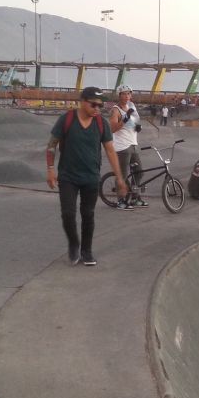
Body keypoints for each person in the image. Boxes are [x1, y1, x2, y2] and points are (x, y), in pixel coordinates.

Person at [46, 87, 127, 266]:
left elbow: (110, 150)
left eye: (101, 105)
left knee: (88, 215)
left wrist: (119, 178)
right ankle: (74, 244)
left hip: (91, 177)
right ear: (82, 101)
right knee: (68, 213)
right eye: (94, 104)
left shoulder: (101, 123)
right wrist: (51, 169)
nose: (98, 108)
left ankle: (87, 251)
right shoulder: (66, 119)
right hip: (68, 176)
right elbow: (52, 144)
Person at [109, 85, 147, 209]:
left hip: (133, 144)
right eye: (124, 94)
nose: (127, 96)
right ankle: (120, 201)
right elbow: (113, 129)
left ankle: (135, 198)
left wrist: (137, 126)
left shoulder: (132, 106)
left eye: (128, 94)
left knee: (139, 172)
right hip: (122, 147)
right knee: (122, 175)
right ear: (119, 95)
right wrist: (125, 118)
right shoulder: (116, 110)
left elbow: (134, 121)